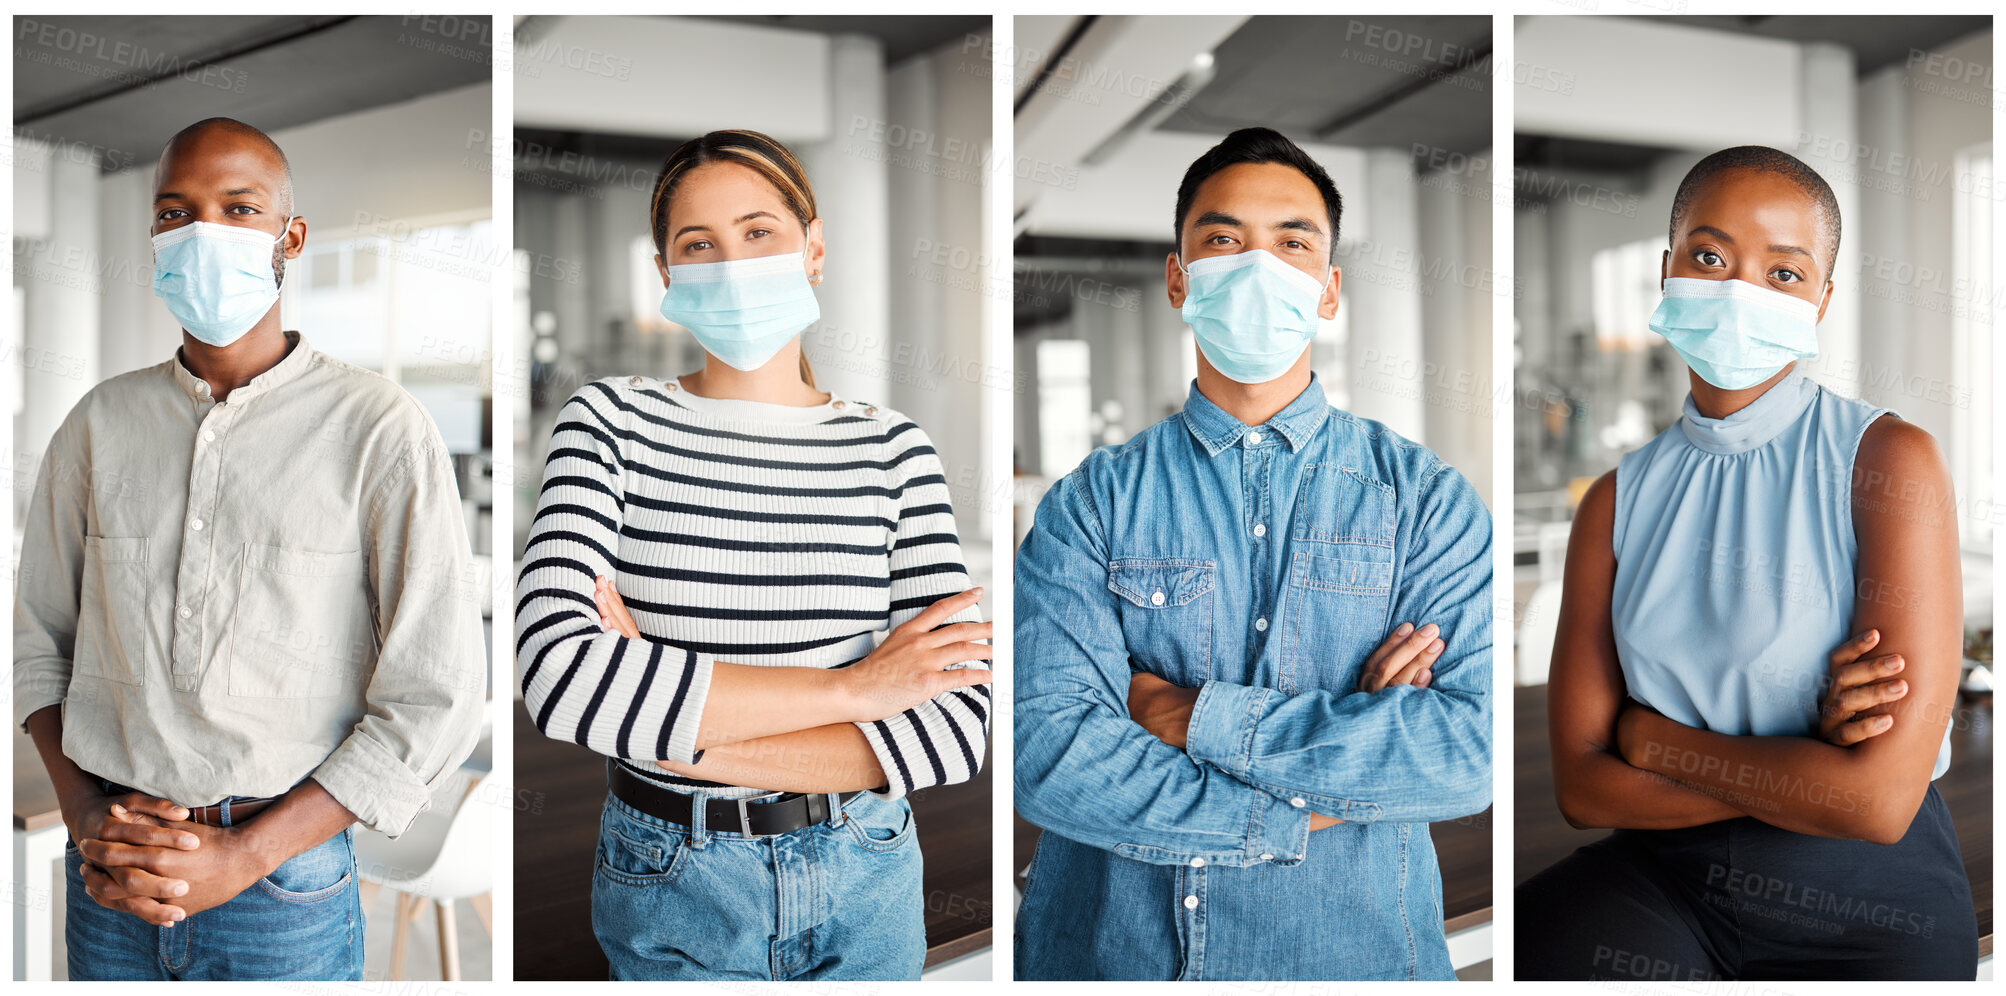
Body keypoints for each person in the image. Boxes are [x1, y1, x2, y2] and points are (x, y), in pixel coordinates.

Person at [1012, 126, 1493, 981]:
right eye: (1224, 239)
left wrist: (1187, 715)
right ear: (1178, 278)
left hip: (1354, 957)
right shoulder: (1090, 501)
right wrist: (1338, 769)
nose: (1257, 265)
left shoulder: (1425, 500)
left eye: (1293, 242)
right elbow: (1052, 758)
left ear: (1329, 289)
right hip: (1115, 957)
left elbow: (1462, 755)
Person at [13, 117, 487, 981]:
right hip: (110, 871)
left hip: (283, 886)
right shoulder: (97, 425)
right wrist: (86, 817)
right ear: (154, 238)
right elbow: (40, 642)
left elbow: (437, 694)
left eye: (239, 208)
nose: (204, 234)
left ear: (290, 237)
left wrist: (247, 854)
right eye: (175, 213)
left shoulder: (378, 429)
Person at [515, 128, 992, 981]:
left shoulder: (894, 450)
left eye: (758, 232)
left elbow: (955, 731)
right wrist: (858, 690)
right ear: (666, 276)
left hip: (867, 867)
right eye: (699, 245)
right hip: (671, 874)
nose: (731, 264)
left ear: (813, 250)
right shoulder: (610, 424)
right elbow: (560, 678)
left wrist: (670, 733)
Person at [1516, 146, 1977, 980]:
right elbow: (1583, 791)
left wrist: (1654, 742)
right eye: (1710, 256)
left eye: (1784, 272)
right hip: (1662, 880)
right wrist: (1810, 767)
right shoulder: (1615, 502)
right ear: (1667, 271)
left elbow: (1876, 803)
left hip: (1863, 900)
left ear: (1822, 301)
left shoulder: (1889, 461)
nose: (1739, 291)